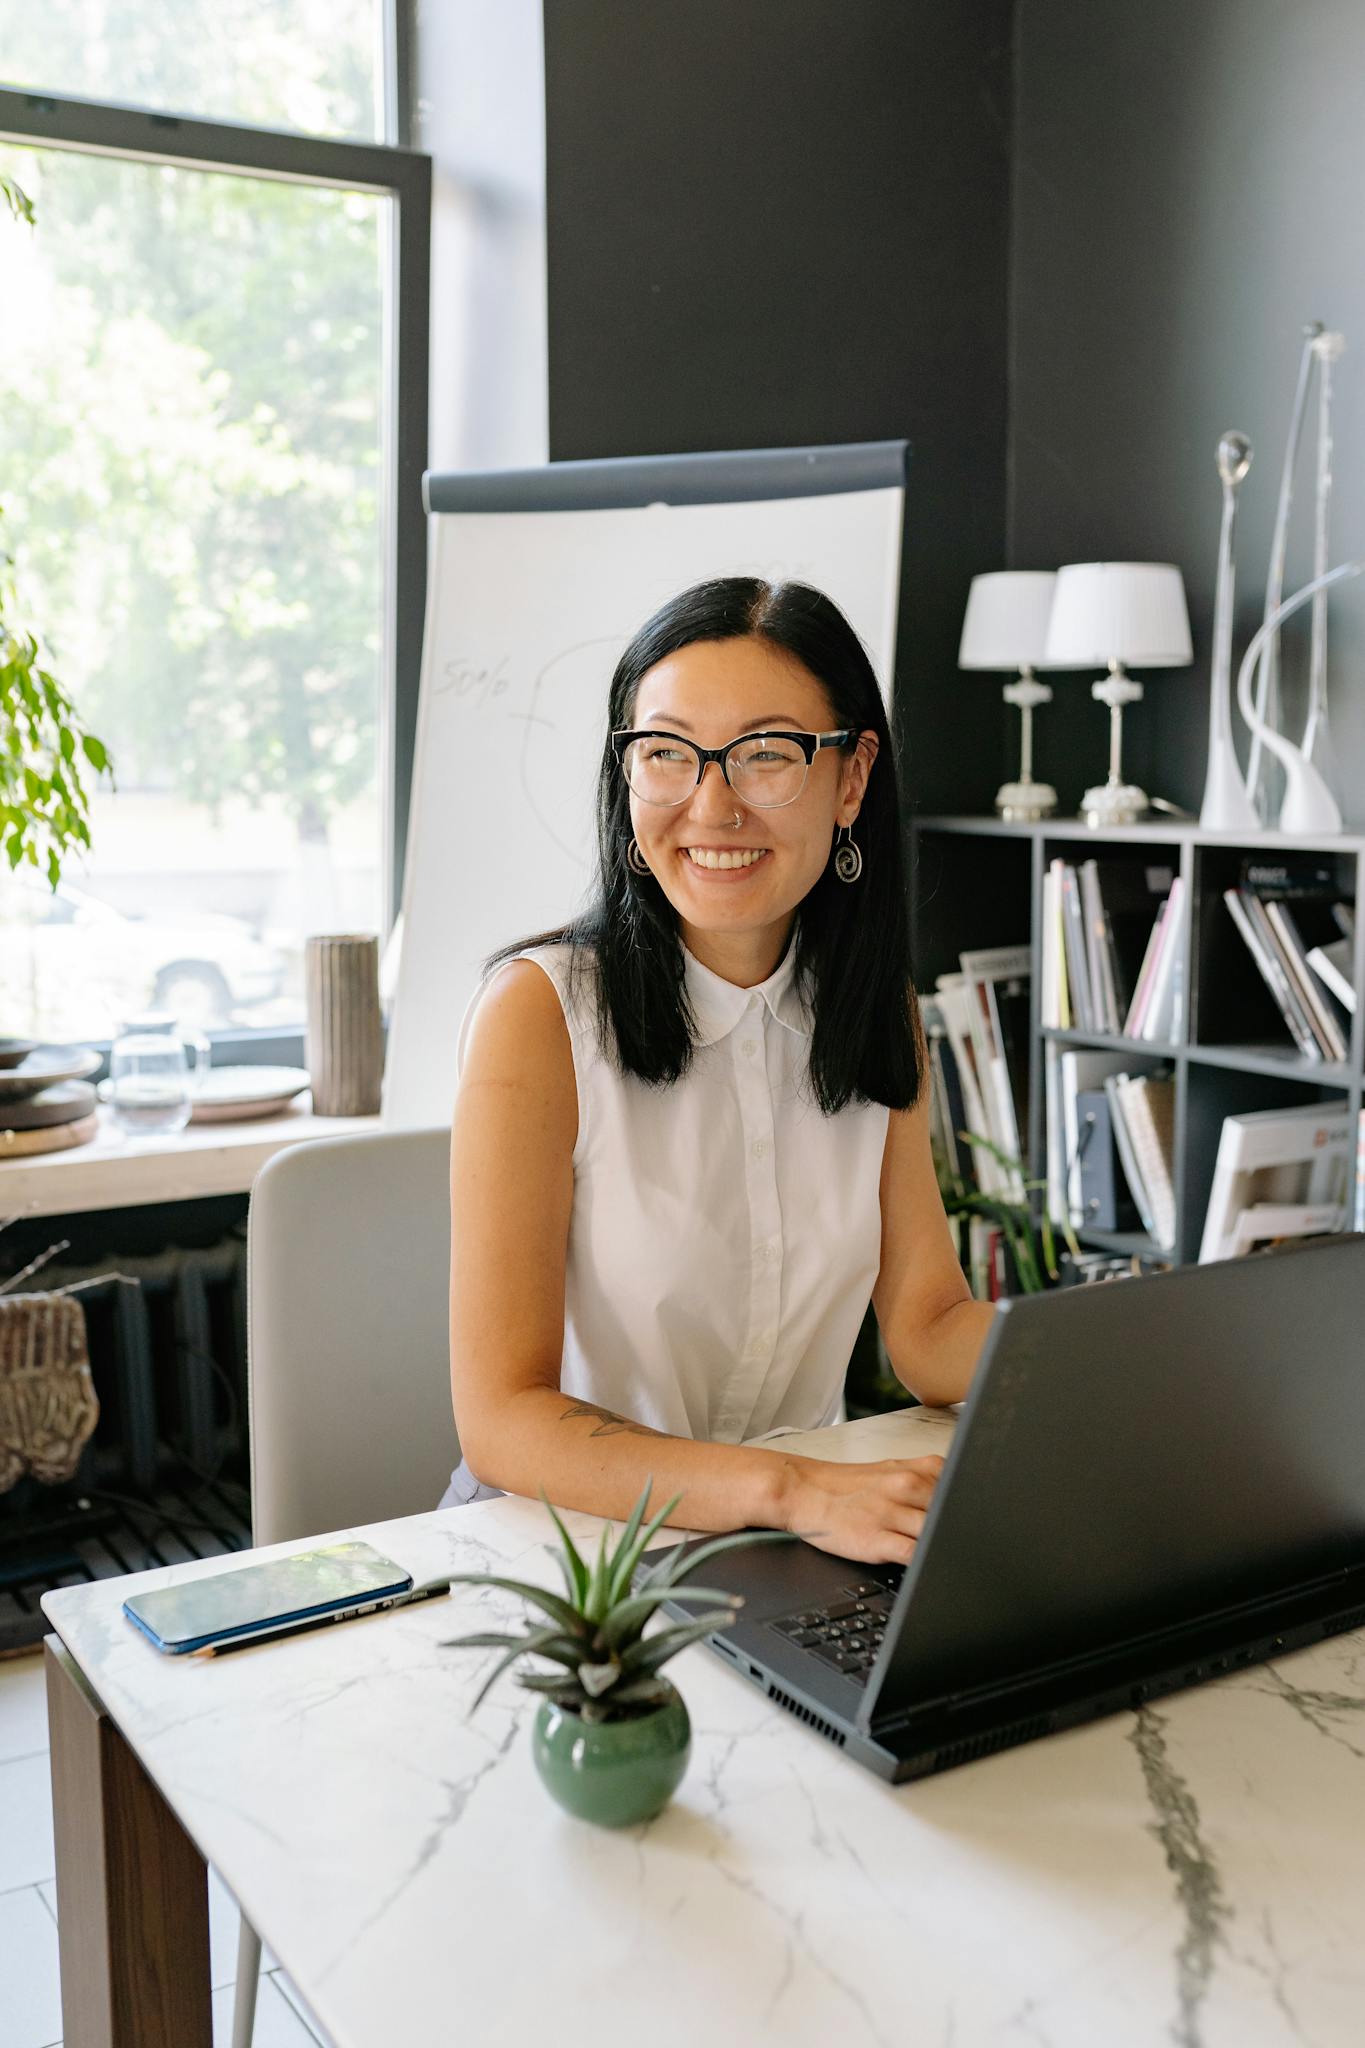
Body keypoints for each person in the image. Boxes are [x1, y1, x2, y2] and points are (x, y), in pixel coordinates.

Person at [444, 576, 994, 1565]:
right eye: (665, 753)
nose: (711, 804)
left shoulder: (875, 1009)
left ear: (853, 778)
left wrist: (1117, 1367)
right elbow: (502, 1417)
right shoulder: (536, 1014)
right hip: (566, 1551)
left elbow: (929, 1324)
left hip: (790, 1538)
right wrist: (784, 1489)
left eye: (768, 755)